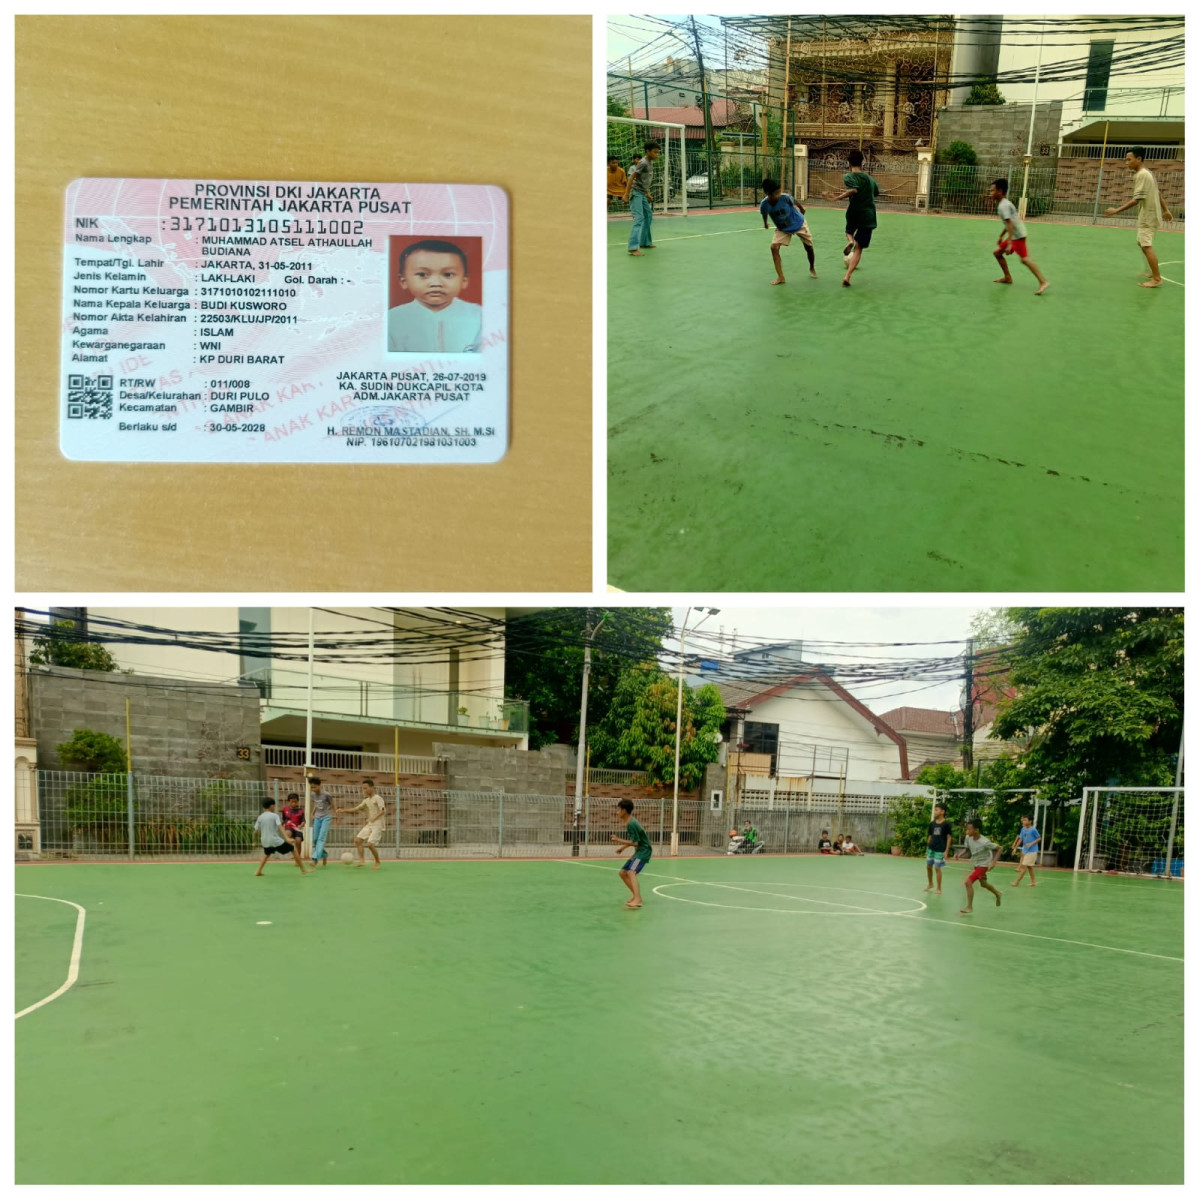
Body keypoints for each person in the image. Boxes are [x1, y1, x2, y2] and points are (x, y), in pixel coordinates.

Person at [387, 239, 482, 352]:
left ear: (464, 281)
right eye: (422, 274)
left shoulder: (480, 316)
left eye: (448, 274)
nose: (436, 283)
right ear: (404, 281)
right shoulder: (390, 320)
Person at [1104, 147, 1173, 287]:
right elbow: (1157, 192)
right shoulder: (1147, 173)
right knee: (1142, 243)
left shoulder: (1142, 175)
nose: (1126, 163)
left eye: (1129, 159)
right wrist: (1166, 210)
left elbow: (1137, 200)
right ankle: (1149, 272)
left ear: (1139, 159)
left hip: (1148, 216)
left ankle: (1157, 279)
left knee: (1146, 246)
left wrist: (1116, 211)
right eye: (1126, 160)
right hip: (1150, 215)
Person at [827, 149, 879, 287]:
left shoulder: (848, 177)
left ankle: (850, 240)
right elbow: (876, 192)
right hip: (868, 215)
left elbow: (854, 190)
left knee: (849, 231)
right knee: (859, 248)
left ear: (848, 162)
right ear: (863, 162)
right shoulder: (870, 179)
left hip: (854, 212)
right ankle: (847, 276)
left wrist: (837, 197)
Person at [989, 178, 1049, 295]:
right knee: (997, 253)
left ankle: (1043, 282)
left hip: (1018, 236)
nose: (990, 193)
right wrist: (1001, 236)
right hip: (1016, 234)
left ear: (1000, 191)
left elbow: (1010, 224)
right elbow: (1009, 223)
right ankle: (1007, 277)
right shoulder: (1004, 203)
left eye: (992, 190)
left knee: (1024, 259)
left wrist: (1010, 243)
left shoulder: (1003, 206)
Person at [760, 177, 816, 285]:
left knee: (809, 247)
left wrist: (802, 208)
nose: (779, 195)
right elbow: (764, 214)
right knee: (774, 247)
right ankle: (781, 277)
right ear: (768, 193)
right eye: (776, 193)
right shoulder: (764, 204)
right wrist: (765, 223)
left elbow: (794, 200)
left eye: (779, 192)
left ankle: (812, 267)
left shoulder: (785, 197)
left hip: (798, 223)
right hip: (783, 228)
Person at [336, 778, 386, 870]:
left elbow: (382, 811)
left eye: (366, 788)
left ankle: (377, 862)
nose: (364, 790)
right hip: (370, 824)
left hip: (378, 824)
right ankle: (362, 861)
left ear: (372, 788)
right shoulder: (366, 800)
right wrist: (342, 810)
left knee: (370, 844)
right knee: (358, 840)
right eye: (363, 788)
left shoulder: (378, 798)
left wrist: (373, 818)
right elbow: (356, 809)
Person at [254, 798, 312, 876]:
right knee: (293, 849)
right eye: (274, 806)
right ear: (271, 806)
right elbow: (280, 827)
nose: (275, 807)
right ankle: (303, 869)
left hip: (265, 841)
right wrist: (287, 838)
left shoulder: (260, 817)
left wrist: (254, 841)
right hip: (274, 840)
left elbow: (255, 831)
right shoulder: (274, 816)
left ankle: (258, 871)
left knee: (267, 854)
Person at [611, 798, 652, 908]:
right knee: (622, 873)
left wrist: (618, 839)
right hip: (639, 851)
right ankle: (636, 897)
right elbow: (635, 840)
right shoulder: (630, 822)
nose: (617, 812)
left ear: (624, 811)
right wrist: (623, 848)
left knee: (631, 872)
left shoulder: (631, 824)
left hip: (643, 852)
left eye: (618, 810)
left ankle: (638, 900)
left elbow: (636, 843)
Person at [623, 140, 661, 257]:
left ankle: (645, 242)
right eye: (655, 152)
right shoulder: (643, 162)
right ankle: (633, 247)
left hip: (642, 193)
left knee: (648, 215)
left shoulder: (650, 163)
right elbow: (632, 178)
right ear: (648, 151)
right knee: (639, 218)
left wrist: (647, 193)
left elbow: (643, 181)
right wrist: (626, 194)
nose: (657, 155)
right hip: (636, 193)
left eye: (658, 152)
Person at [960, 819, 1003, 915]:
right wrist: (959, 854)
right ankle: (998, 893)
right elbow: (967, 849)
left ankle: (969, 907)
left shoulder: (985, 842)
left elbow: (1000, 848)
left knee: (968, 882)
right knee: (983, 884)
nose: (967, 831)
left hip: (984, 865)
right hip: (976, 863)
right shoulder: (968, 837)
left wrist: (993, 862)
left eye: (969, 829)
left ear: (976, 830)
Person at [306, 775, 335, 867]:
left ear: (320, 785)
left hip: (326, 817)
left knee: (321, 838)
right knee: (315, 839)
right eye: (311, 787)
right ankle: (324, 854)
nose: (313, 789)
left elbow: (333, 804)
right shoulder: (313, 794)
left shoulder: (326, 795)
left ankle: (315, 859)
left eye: (315, 787)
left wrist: (336, 816)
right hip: (317, 818)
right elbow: (316, 804)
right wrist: (312, 813)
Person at [925, 803, 953, 894]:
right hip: (931, 848)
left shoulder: (946, 824)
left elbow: (949, 837)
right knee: (928, 867)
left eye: (936, 810)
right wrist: (928, 846)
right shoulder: (932, 824)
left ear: (942, 811)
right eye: (935, 809)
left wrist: (946, 851)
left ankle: (939, 888)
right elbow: (930, 835)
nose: (934, 811)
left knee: (937, 868)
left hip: (940, 849)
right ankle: (930, 884)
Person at [1011, 814, 1041, 887]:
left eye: (1025, 820)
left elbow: (1039, 838)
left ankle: (1017, 882)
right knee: (1029, 867)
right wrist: (1015, 848)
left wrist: (1031, 844)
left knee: (1023, 866)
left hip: (1032, 851)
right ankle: (1034, 882)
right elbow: (1020, 839)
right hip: (1025, 850)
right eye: (1023, 820)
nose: (1023, 821)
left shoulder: (1033, 829)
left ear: (1030, 821)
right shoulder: (1023, 829)